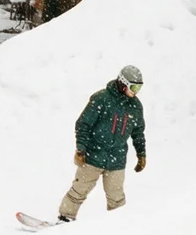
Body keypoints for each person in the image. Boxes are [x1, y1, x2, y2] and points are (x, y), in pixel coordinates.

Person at [57, 64, 147, 223]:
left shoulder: (135, 107)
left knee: (116, 196)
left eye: (139, 88)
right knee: (79, 189)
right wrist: (81, 149)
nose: (136, 91)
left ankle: (118, 224)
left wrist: (141, 154)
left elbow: (138, 132)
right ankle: (65, 217)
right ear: (123, 82)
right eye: (133, 87)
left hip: (117, 159)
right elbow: (83, 124)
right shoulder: (102, 99)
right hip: (93, 155)